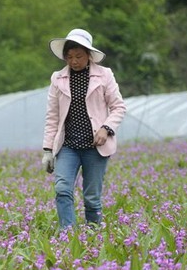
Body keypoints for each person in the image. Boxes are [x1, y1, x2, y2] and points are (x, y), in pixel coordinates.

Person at [42, 28, 126, 229]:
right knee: (62, 189)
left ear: (89, 55)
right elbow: (52, 116)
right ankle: (68, 234)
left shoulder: (104, 75)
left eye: (79, 56)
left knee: (92, 197)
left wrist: (106, 128)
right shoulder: (58, 78)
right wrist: (47, 150)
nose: (74, 61)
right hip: (68, 145)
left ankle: (93, 235)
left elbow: (118, 107)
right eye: (69, 57)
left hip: (94, 146)